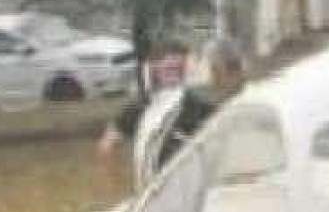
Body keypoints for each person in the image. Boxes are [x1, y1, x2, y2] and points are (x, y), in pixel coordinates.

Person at [98, 38, 249, 187]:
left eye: (178, 69)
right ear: (153, 68)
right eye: (168, 69)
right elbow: (108, 145)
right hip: (151, 192)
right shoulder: (139, 108)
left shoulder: (200, 107)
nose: (173, 74)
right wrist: (116, 182)